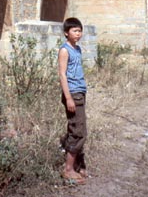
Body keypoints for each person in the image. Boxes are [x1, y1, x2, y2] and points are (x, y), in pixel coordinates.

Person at [58, 17, 87, 185]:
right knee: (78, 131)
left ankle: (75, 165)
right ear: (66, 33)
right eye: (75, 31)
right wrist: (68, 97)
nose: (78, 33)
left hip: (80, 93)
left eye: (80, 30)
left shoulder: (78, 49)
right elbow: (62, 75)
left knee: (77, 128)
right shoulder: (65, 50)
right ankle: (68, 170)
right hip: (73, 95)